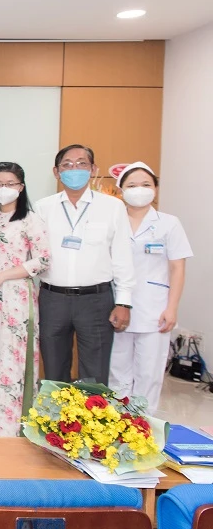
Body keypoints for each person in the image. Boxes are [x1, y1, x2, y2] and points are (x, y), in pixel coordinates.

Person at [35, 144, 135, 384]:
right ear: (56, 172)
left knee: (94, 372)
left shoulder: (112, 207)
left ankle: (92, 410)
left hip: (96, 300)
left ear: (93, 169)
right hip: (52, 299)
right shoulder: (43, 207)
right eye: (67, 165)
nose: (74, 169)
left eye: (81, 163)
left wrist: (123, 302)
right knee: (54, 369)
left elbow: (122, 256)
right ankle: (57, 411)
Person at [0, 162, 51, 437]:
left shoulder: (30, 220)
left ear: (21, 187)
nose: (3, 188)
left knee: (12, 362)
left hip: (17, 296)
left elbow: (43, 260)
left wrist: (1, 276)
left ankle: (10, 429)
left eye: (10, 183)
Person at [110, 162, 192, 410]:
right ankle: (116, 426)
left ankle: (144, 426)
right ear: (121, 190)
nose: (139, 190)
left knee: (149, 374)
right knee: (116, 374)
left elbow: (177, 268)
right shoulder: (112, 221)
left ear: (155, 188)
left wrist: (172, 308)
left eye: (146, 184)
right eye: (132, 185)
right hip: (115, 306)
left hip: (155, 309)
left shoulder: (169, 223)